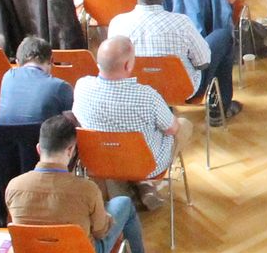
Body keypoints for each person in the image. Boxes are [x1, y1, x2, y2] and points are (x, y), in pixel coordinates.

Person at [8, 113, 163, 253]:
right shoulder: (86, 189)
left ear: (39, 149)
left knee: (60, 231)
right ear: (71, 150)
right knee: (123, 204)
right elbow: (101, 232)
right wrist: (104, 217)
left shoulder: (13, 186)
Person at [110, 0, 236, 122]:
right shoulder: (182, 23)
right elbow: (203, 62)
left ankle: (163, 105)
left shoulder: (117, 23)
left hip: (137, 90)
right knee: (223, 35)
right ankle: (219, 109)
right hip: (184, 90)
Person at [73, 36, 190, 197]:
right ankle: (144, 182)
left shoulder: (81, 86)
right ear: (127, 65)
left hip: (100, 161)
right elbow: (172, 129)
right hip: (146, 166)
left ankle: (128, 187)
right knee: (183, 124)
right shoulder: (147, 96)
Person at [0, 36, 72, 125]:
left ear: (17, 62)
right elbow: (73, 123)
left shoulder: (7, 77)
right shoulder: (61, 87)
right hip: (40, 134)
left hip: (3, 134)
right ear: (51, 60)